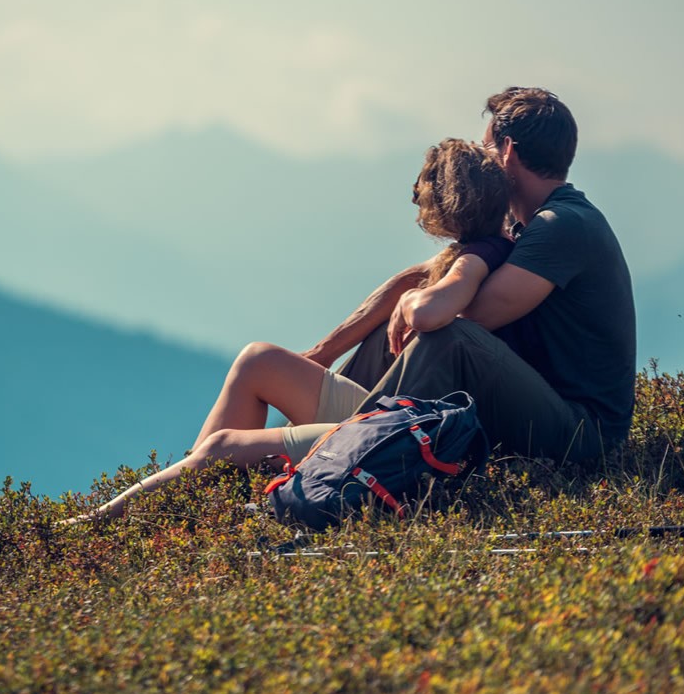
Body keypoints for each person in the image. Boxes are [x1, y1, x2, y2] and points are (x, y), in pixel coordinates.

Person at [67, 139, 512, 521]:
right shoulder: (472, 250)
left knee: (223, 444)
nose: (416, 197)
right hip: (395, 415)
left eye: (425, 187)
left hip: (402, 432)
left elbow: (430, 307)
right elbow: (405, 282)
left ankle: (104, 521)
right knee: (258, 360)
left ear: (450, 197)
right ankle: (193, 493)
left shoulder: (477, 259)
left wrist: (412, 305)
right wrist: (320, 355)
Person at [352, 86, 637, 467]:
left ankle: (352, 449)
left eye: (487, 150)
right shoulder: (530, 225)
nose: (484, 164)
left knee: (450, 338)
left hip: (584, 433)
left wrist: (415, 303)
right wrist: (329, 351)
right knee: (409, 331)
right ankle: (339, 429)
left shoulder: (562, 224)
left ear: (507, 151)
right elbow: (430, 278)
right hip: (545, 405)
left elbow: (472, 318)